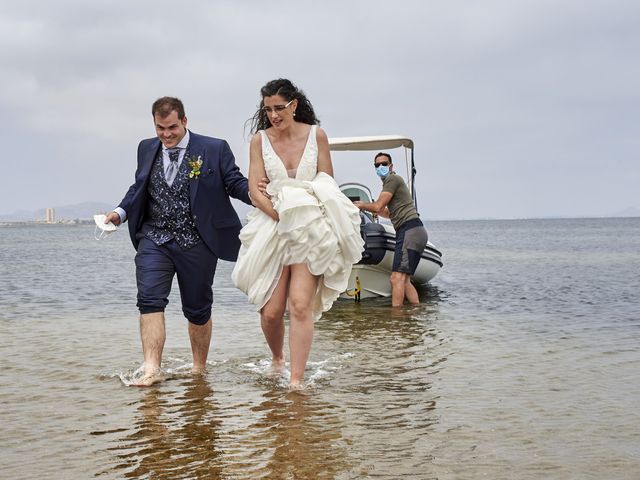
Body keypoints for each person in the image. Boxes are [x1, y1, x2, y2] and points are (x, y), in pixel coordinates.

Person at [105, 96, 251, 386]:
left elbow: (234, 183)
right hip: (154, 238)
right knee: (149, 299)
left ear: (184, 121)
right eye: (160, 128)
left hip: (197, 242)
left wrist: (264, 196)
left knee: (197, 310)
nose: (166, 134)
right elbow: (139, 186)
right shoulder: (146, 148)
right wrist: (120, 213)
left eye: (172, 127)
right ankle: (151, 370)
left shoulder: (213, 148)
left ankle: (198, 369)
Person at [231, 79, 363, 388]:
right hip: (273, 223)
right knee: (272, 311)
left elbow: (327, 180)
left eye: (279, 108)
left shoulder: (316, 135)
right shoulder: (259, 140)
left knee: (300, 305)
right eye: (268, 110)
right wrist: (282, 214)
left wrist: (300, 204)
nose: (274, 115)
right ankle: (277, 358)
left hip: (310, 226)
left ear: (294, 105)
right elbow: (254, 190)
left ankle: (296, 382)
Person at [354, 152, 428, 307]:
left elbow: (378, 206)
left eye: (384, 164)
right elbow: (387, 212)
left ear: (391, 166)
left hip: (409, 229)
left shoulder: (392, 179)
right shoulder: (391, 182)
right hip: (414, 230)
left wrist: (361, 205)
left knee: (396, 278)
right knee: (405, 280)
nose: (380, 167)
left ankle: (397, 321)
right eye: (377, 165)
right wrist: (374, 209)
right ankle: (416, 312)